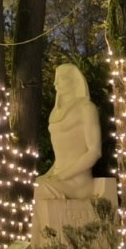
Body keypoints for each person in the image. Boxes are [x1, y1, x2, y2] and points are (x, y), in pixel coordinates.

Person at [34, 63, 102, 200]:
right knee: (35, 185)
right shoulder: (55, 112)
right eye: (55, 79)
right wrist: (51, 175)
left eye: (62, 78)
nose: (56, 83)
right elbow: (60, 157)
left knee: (42, 188)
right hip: (58, 177)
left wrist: (62, 176)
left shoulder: (86, 109)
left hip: (78, 182)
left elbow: (94, 151)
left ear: (74, 81)